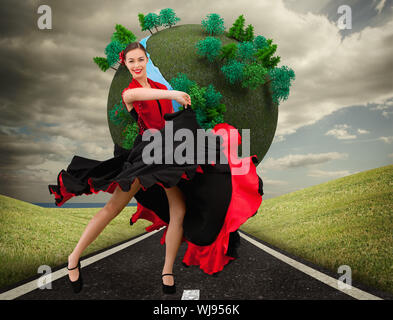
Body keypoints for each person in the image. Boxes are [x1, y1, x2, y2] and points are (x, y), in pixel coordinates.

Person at [48, 41, 264, 295]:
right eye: (132, 61)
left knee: (180, 211)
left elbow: (169, 119)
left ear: (146, 60)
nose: (137, 65)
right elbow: (143, 97)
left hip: (168, 153)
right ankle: (73, 259)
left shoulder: (159, 87)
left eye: (141, 60)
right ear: (125, 65)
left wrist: (183, 115)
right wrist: (174, 95)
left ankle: (167, 272)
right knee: (113, 208)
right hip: (145, 155)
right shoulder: (129, 93)